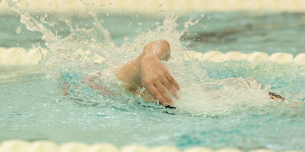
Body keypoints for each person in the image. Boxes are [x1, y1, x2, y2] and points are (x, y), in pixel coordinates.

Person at [116, 39, 284, 107]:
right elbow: (160, 46)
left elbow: (159, 46)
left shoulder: (120, 79)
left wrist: (150, 57)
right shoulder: (130, 81)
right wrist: (150, 58)